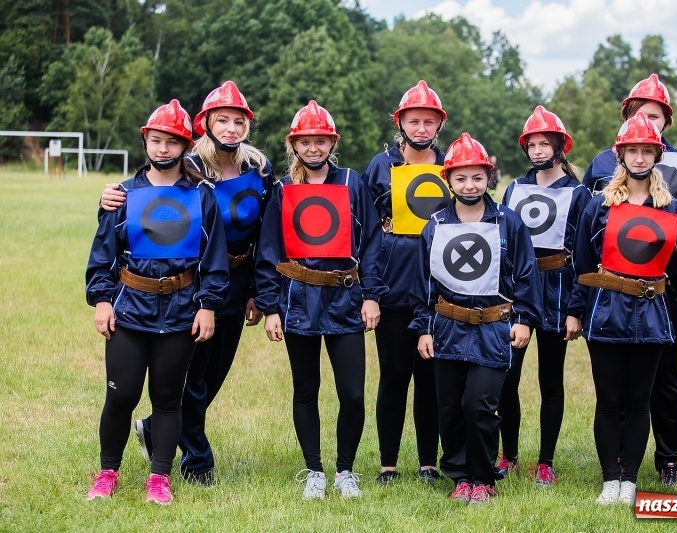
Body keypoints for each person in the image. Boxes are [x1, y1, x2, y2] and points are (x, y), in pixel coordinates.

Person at [99, 81, 274, 487]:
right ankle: (196, 460)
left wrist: (255, 290)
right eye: (222, 120)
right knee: (191, 376)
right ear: (206, 123)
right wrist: (111, 195)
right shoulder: (190, 165)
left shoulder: (258, 169)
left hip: (236, 277)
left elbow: (265, 229)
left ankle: (153, 426)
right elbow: (147, 193)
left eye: (238, 121)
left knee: (213, 375)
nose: (230, 129)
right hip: (191, 283)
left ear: (247, 126)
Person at [85, 100, 229, 504]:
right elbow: (103, 253)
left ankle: (159, 478)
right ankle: (107, 472)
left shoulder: (202, 197)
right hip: (130, 309)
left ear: (185, 146)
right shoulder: (123, 195)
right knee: (122, 394)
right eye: (156, 139)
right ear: (145, 140)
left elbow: (213, 258)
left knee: (168, 398)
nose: (163, 148)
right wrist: (102, 300)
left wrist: (208, 305)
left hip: (181, 310)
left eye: (172, 142)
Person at [583, 74, 677, 486]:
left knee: (667, 378)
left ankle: (669, 459)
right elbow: (586, 232)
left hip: (664, 290)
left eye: (655, 117)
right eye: (640, 115)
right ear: (626, 121)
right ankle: (616, 468)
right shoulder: (603, 165)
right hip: (613, 291)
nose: (648, 123)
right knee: (616, 385)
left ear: (666, 124)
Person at [254, 100, 387, 500]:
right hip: (299, 299)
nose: (314, 148)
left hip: (346, 298)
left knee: (351, 392)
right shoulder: (282, 190)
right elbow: (269, 251)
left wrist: (372, 296)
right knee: (306, 388)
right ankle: (313, 470)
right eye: (306, 142)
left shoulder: (352, 182)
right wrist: (270, 306)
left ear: (333, 143)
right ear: (294, 145)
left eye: (321, 141)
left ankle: (345, 470)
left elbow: (372, 244)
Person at [410, 132, 539, 505]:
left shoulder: (509, 223)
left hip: (493, 327)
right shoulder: (434, 225)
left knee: (479, 404)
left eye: (477, 177)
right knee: (449, 406)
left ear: (489, 177)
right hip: (448, 327)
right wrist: (422, 328)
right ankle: (459, 476)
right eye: (461, 177)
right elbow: (423, 283)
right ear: (448, 180)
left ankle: (484, 478)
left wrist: (525, 319)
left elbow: (527, 274)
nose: (470, 185)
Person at [567, 112, 677, 505]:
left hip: (651, 313)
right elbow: (582, 263)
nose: (639, 158)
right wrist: (575, 310)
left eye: (646, 151)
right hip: (606, 310)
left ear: (657, 153)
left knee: (639, 400)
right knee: (609, 398)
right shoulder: (597, 206)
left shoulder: (670, 209)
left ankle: (630, 480)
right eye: (632, 151)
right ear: (621, 154)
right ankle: (609, 480)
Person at [498, 106, 591, 485]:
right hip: (519, 289)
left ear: (559, 146)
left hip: (558, 288)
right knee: (507, 376)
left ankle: (546, 461)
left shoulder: (580, 193)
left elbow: (585, 254)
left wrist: (576, 309)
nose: (537, 150)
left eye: (544, 143)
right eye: (532, 144)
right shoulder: (514, 189)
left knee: (550, 380)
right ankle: (509, 455)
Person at [361, 80, 446, 485]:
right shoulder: (380, 167)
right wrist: (371, 293)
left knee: (430, 379)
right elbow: (368, 235)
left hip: (439, 288)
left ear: (439, 124)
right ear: (401, 123)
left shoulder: (451, 165)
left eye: (429, 121)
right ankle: (388, 464)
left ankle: (429, 462)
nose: (421, 128)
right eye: (414, 120)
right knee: (394, 376)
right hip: (393, 286)